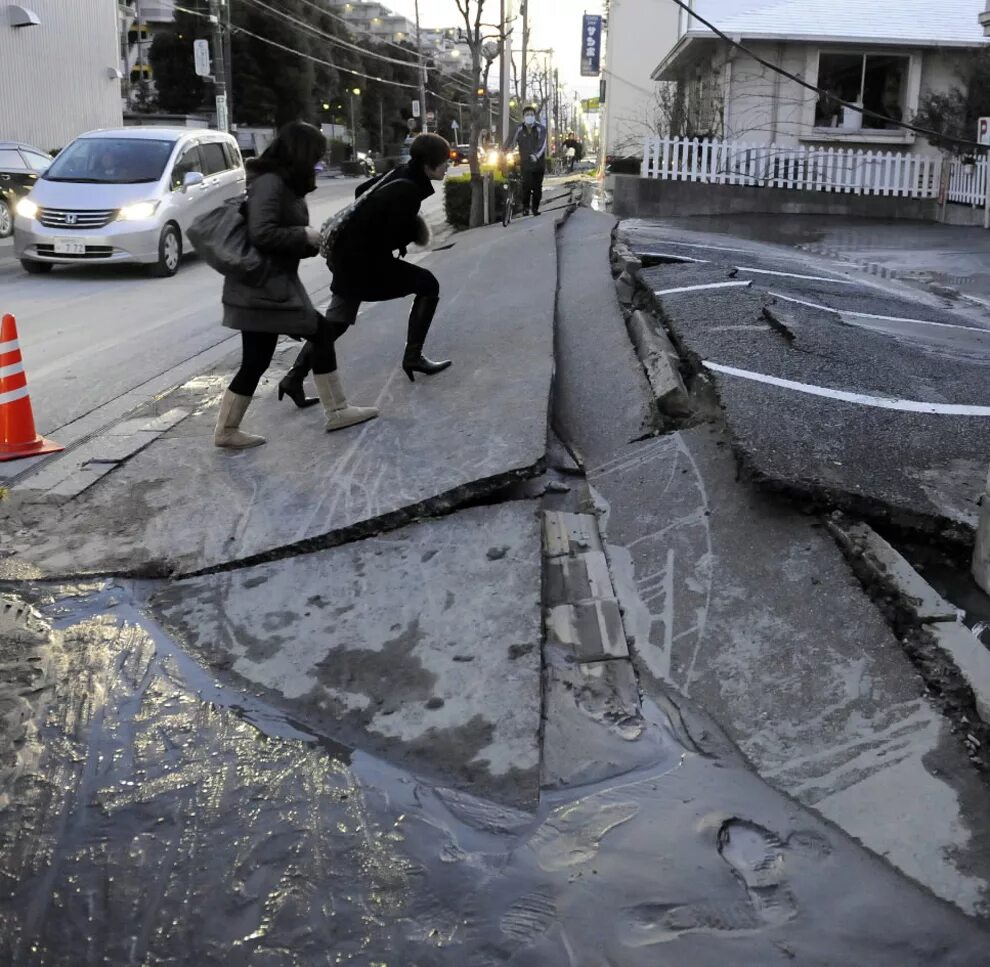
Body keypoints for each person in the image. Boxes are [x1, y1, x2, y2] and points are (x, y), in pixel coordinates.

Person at [215, 121, 377, 448]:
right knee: (321, 331)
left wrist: (311, 243)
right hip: (266, 289)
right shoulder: (271, 183)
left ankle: (226, 430)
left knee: (257, 360)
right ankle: (337, 410)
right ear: (301, 153)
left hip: (264, 287)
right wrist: (304, 235)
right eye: (316, 155)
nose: (318, 162)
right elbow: (262, 233)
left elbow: (275, 235)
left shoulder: (278, 182)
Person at [276, 132, 452, 405]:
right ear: (428, 164)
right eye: (443, 162)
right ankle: (413, 357)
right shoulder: (408, 190)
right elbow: (389, 234)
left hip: (350, 258)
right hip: (363, 264)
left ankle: (293, 378)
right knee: (428, 284)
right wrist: (403, 235)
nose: (447, 166)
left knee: (337, 322)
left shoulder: (401, 173)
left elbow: (362, 193)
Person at [505, 105, 547, 216]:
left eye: (531, 115)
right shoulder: (518, 129)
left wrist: (536, 156)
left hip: (538, 163)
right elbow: (511, 142)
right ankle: (525, 208)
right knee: (526, 185)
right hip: (525, 163)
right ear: (523, 117)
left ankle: (535, 208)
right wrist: (503, 152)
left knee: (537, 187)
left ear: (535, 116)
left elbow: (542, 144)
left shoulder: (541, 129)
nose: (529, 117)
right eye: (527, 115)